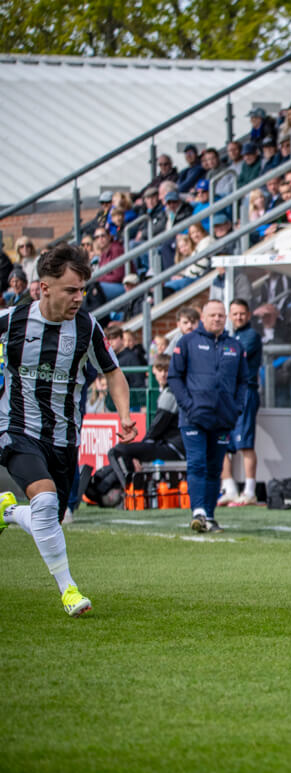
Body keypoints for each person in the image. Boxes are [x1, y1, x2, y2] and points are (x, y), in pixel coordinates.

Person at [0, 244, 136, 616]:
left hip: (64, 439)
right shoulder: (12, 321)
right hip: (17, 429)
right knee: (44, 502)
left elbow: (113, 373)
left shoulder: (86, 327)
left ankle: (9, 513)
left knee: (50, 518)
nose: (79, 298)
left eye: (82, 290)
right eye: (70, 290)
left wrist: (123, 414)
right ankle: (69, 591)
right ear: (44, 287)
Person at [168, 300, 249, 532]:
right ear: (202, 317)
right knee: (197, 464)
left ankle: (210, 516)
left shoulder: (235, 346)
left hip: (223, 417)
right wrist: (188, 405)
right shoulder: (187, 342)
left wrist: (236, 408)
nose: (217, 319)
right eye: (212, 315)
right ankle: (198, 511)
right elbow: (174, 377)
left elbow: (244, 381)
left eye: (221, 316)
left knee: (215, 468)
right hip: (194, 417)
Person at [107, 355, 186, 487]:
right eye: (160, 370)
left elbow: (155, 429)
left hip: (174, 448)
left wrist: (140, 452)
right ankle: (108, 486)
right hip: (170, 446)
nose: (163, 374)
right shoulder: (169, 391)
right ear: (153, 370)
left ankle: (129, 491)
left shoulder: (171, 393)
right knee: (123, 455)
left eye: (166, 370)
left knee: (117, 451)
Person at [217, 300, 262, 506]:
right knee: (222, 442)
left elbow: (230, 359)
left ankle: (250, 491)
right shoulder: (226, 337)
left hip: (245, 394)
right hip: (227, 396)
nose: (238, 317)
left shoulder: (251, 336)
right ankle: (229, 489)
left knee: (245, 444)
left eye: (242, 314)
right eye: (234, 314)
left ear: (249, 314)